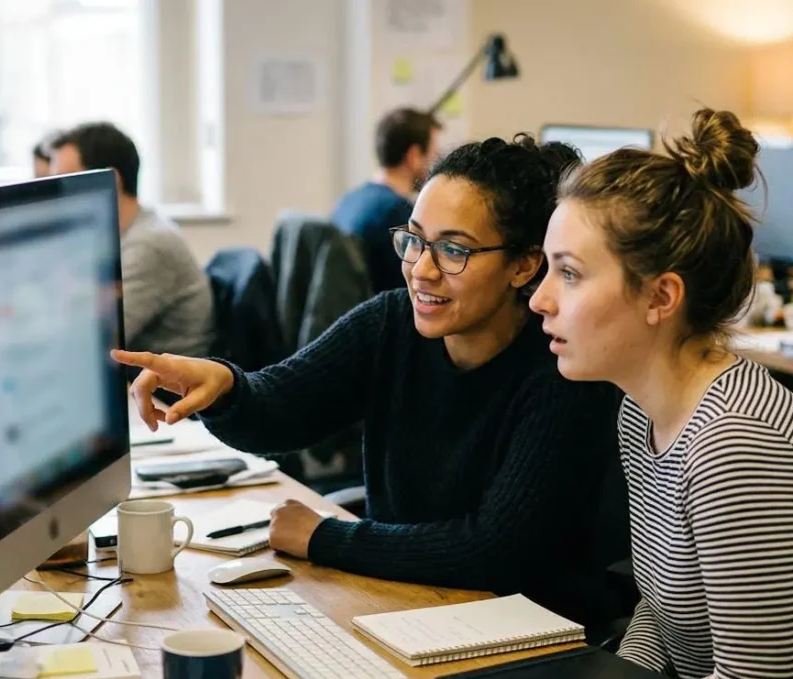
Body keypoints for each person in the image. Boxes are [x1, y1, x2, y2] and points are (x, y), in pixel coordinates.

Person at [114, 136, 625, 627]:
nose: (422, 270)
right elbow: (281, 411)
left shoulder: (560, 366)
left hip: (528, 638)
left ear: (523, 264)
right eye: (415, 240)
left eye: (454, 250)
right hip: (407, 605)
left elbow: (494, 551)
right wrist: (223, 384)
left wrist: (325, 537)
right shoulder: (391, 323)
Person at [530, 108, 793, 678]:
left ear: (661, 297)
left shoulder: (735, 444)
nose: (540, 299)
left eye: (568, 273)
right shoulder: (641, 410)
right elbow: (661, 614)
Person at [50, 121, 215, 358]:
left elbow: (96, 340)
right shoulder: (125, 234)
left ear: (112, 180)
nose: (59, 198)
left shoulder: (149, 245)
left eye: (65, 181)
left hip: (167, 391)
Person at [334, 108, 442, 293]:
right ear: (414, 156)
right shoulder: (397, 213)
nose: (437, 162)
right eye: (434, 154)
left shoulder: (350, 199)